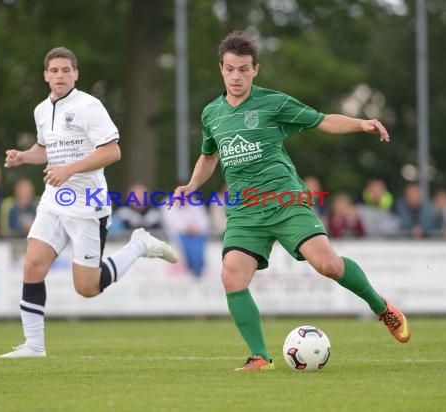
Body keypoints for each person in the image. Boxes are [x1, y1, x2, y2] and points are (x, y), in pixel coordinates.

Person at [169, 31, 410, 372]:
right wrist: (192, 184)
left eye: (243, 69)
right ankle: (259, 357)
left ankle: (381, 306)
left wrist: (362, 123)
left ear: (255, 70)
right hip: (243, 211)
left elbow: (323, 121)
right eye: (229, 69)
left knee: (328, 266)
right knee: (232, 276)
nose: (236, 76)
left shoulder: (273, 103)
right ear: (221, 69)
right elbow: (209, 156)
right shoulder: (211, 113)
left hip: (285, 201)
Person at [0, 47, 177, 358]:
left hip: (88, 204)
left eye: (66, 70)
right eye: (54, 70)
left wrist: (68, 169)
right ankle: (34, 346)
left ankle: (139, 245)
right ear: (45, 75)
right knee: (33, 265)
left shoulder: (89, 106)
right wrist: (23, 157)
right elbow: (46, 149)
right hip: (55, 200)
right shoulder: (42, 110)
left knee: (87, 287)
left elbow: (112, 151)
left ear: (75, 74)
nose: (60, 75)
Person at [161, 193, 211, 278]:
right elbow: (170, 223)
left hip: (196, 236)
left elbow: (205, 223)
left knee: (199, 243)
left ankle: (198, 269)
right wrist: (188, 228)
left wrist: (195, 229)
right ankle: (192, 269)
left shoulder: (196, 203)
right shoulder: (168, 202)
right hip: (178, 237)